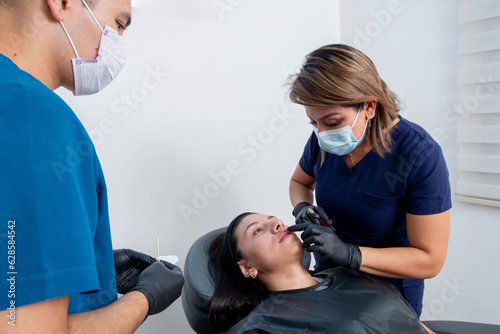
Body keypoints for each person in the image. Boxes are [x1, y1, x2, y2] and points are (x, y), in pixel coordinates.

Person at [0, 0, 183, 332]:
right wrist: (143, 299)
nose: (119, 42)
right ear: (62, 4)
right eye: (119, 23)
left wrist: (72, 265)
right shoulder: (30, 114)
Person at [287, 44, 451, 316]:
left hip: (387, 294)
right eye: (313, 123)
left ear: (369, 106)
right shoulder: (323, 141)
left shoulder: (419, 154)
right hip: (330, 279)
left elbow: (430, 260)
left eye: (331, 121)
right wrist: (302, 207)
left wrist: (351, 254)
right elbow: (299, 182)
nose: (322, 132)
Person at [208, 212, 435, 333]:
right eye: (257, 230)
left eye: (272, 219)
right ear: (247, 267)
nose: (278, 223)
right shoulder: (262, 325)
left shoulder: (347, 274)